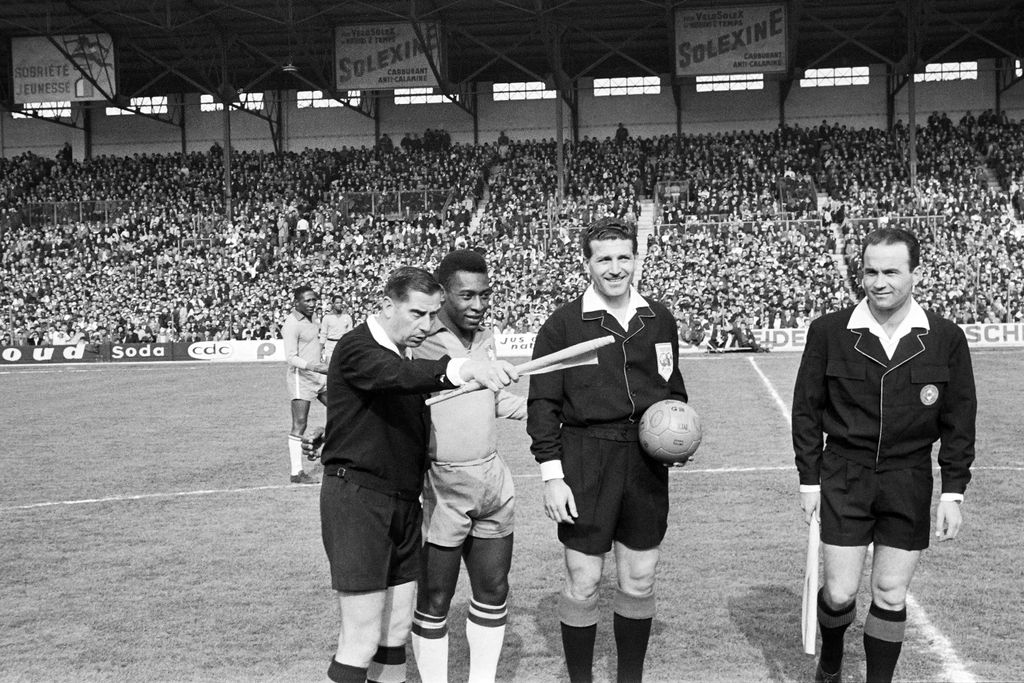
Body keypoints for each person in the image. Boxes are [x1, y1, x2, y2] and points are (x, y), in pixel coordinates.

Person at [312, 266, 518, 683]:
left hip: (404, 503)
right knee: (361, 638)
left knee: (394, 634)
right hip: (359, 500)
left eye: (432, 315)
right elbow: (395, 377)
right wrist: (464, 369)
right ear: (387, 306)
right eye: (417, 314)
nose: (426, 325)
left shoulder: (403, 351)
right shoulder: (358, 347)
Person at [792, 228, 977, 683]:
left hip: (907, 478)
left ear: (916, 273)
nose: (880, 282)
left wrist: (953, 492)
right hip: (844, 475)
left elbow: (959, 420)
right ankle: (830, 664)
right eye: (871, 271)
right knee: (838, 593)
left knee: (891, 593)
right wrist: (809, 482)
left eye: (891, 271)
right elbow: (806, 410)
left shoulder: (945, 337)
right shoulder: (830, 332)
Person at [527, 217, 690, 683]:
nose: (615, 268)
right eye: (604, 259)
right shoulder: (564, 324)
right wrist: (552, 475)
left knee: (639, 578)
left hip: (644, 462)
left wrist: (679, 433)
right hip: (585, 458)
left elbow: (672, 387)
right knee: (584, 581)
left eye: (623, 257)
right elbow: (543, 404)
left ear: (636, 259)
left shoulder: (658, 318)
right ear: (587, 263)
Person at [409, 250, 526, 683]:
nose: (478, 305)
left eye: (484, 294)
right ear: (442, 296)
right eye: (466, 296)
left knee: (494, 591)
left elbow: (492, 400)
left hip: (493, 479)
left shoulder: (486, 336)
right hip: (441, 485)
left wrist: (545, 409)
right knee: (435, 598)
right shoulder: (421, 340)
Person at [282, 285, 328, 484]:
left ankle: (321, 443)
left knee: (342, 408)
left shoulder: (313, 318)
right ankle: (296, 472)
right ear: (296, 303)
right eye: (307, 301)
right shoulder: (291, 324)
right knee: (299, 424)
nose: (312, 304)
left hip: (320, 378)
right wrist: (315, 367)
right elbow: (291, 357)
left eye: (314, 300)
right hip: (302, 378)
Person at [320, 293, 354, 363]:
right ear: (333, 304)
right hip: (330, 345)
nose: (339, 304)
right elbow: (323, 334)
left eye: (341, 303)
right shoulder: (327, 317)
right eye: (337, 303)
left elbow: (350, 334)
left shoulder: (347, 317)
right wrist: (320, 350)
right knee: (329, 368)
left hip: (343, 345)